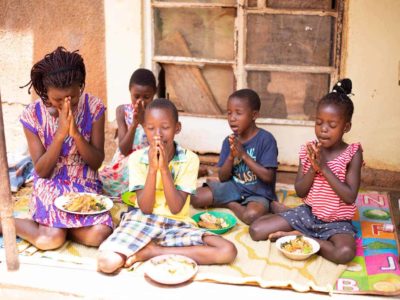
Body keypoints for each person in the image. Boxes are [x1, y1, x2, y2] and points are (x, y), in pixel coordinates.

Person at [97, 99, 237, 273]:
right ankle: (154, 249)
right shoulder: (136, 159)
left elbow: (176, 207)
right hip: (142, 220)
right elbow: (146, 208)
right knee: (107, 262)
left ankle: (154, 251)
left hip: (176, 224)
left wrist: (163, 169)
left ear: (177, 128)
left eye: (165, 127)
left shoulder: (189, 159)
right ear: (144, 129)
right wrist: (152, 169)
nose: (158, 134)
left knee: (227, 251)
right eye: (151, 128)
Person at [0, 47, 113, 250]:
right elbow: (42, 171)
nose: (65, 105)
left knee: (100, 235)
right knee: (49, 240)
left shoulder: (94, 107)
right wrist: (60, 135)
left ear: (81, 87)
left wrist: (76, 134)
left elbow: (96, 162)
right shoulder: (32, 115)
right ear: (45, 92)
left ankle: (61, 227)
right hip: (51, 183)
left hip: (85, 183)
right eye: (57, 100)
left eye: (72, 98)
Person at [249, 79, 363, 264]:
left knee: (344, 254)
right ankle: (300, 230)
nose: (323, 130)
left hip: (337, 222)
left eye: (332, 125)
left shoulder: (352, 153)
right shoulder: (309, 150)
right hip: (309, 214)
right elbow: (301, 191)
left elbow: (350, 196)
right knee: (256, 230)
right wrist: (313, 167)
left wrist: (324, 168)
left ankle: (301, 237)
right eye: (319, 123)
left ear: (346, 127)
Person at [191, 89, 280, 225]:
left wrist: (243, 155)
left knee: (251, 216)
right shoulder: (229, 141)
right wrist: (231, 158)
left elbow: (268, 177)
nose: (232, 118)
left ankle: (230, 204)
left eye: (238, 113)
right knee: (195, 198)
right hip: (235, 186)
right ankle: (232, 202)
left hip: (258, 192)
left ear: (254, 115)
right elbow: (223, 177)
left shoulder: (266, 139)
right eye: (229, 113)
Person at [99, 69, 157, 197]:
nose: (140, 101)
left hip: (146, 163)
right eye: (136, 96)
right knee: (101, 182)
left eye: (146, 97)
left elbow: (158, 146)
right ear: (130, 91)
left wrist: (144, 122)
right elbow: (124, 149)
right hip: (125, 163)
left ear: (154, 93)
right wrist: (134, 124)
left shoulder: (158, 114)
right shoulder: (122, 111)